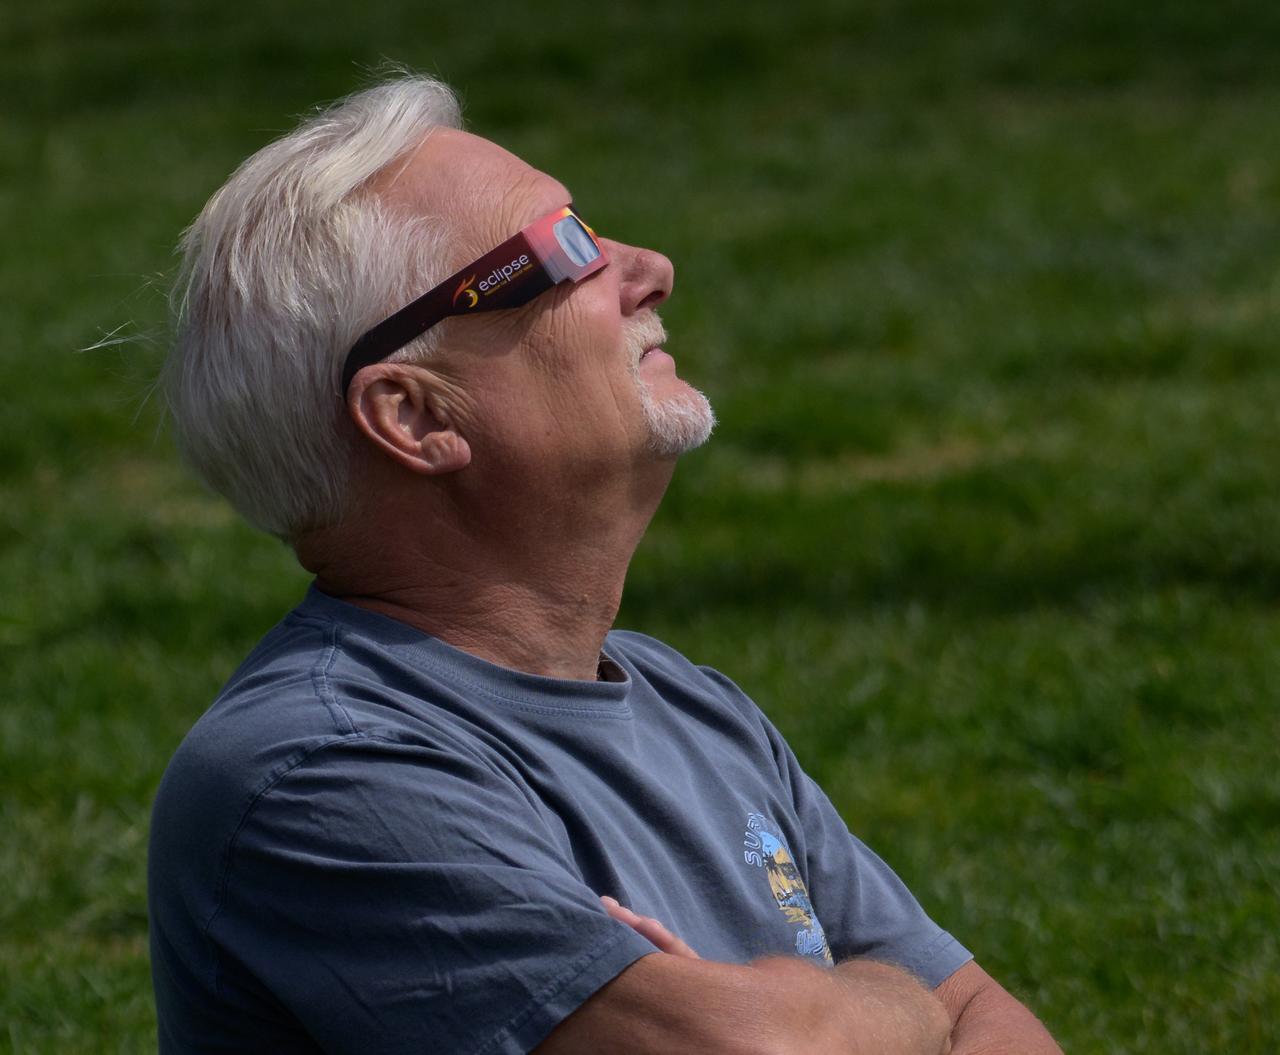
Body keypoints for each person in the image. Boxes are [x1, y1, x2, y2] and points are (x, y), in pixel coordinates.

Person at [147, 74, 1061, 1055]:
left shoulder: (690, 703)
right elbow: (765, 1048)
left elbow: (995, 1021)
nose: (650, 267)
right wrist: (884, 997)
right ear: (414, 414)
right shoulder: (316, 774)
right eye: (558, 251)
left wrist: (819, 1005)